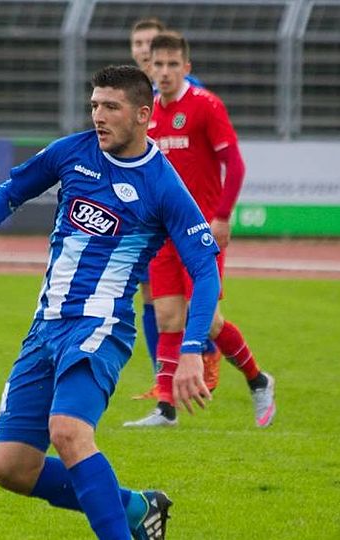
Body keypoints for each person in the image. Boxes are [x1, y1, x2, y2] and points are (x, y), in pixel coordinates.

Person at [0, 64, 220, 540]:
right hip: (46, 327)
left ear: (142, 114)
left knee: (69, 431)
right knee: (12, 468)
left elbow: (204, 270)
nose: (98, 115)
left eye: (111, 107)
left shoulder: (162, 184)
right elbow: (11, 192)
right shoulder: (72, 152)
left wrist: (193, 348)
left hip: (101, 326)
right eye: (94, 105)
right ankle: (136, 507)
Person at [124, 32, 275, 429]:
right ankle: (165, 408)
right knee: (167, 316)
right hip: (161, 232)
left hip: (199, 231)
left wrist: (222, 216)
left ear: (186, 67)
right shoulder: (147, 113)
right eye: (159, 64)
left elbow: (235, 164)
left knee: (206, 321)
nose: (165, 72)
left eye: (173, 64)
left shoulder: (206, 106)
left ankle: (258, 380)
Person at [126, 19, 219, 399]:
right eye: (137, 43)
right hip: (149, 218)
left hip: (185, 218)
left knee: (196, 305)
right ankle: (161, 380)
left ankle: (207, 355)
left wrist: (218, 212)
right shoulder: (136, 94)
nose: (143, 50)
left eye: (149, 43)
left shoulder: (189, 95)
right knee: (152, 299)